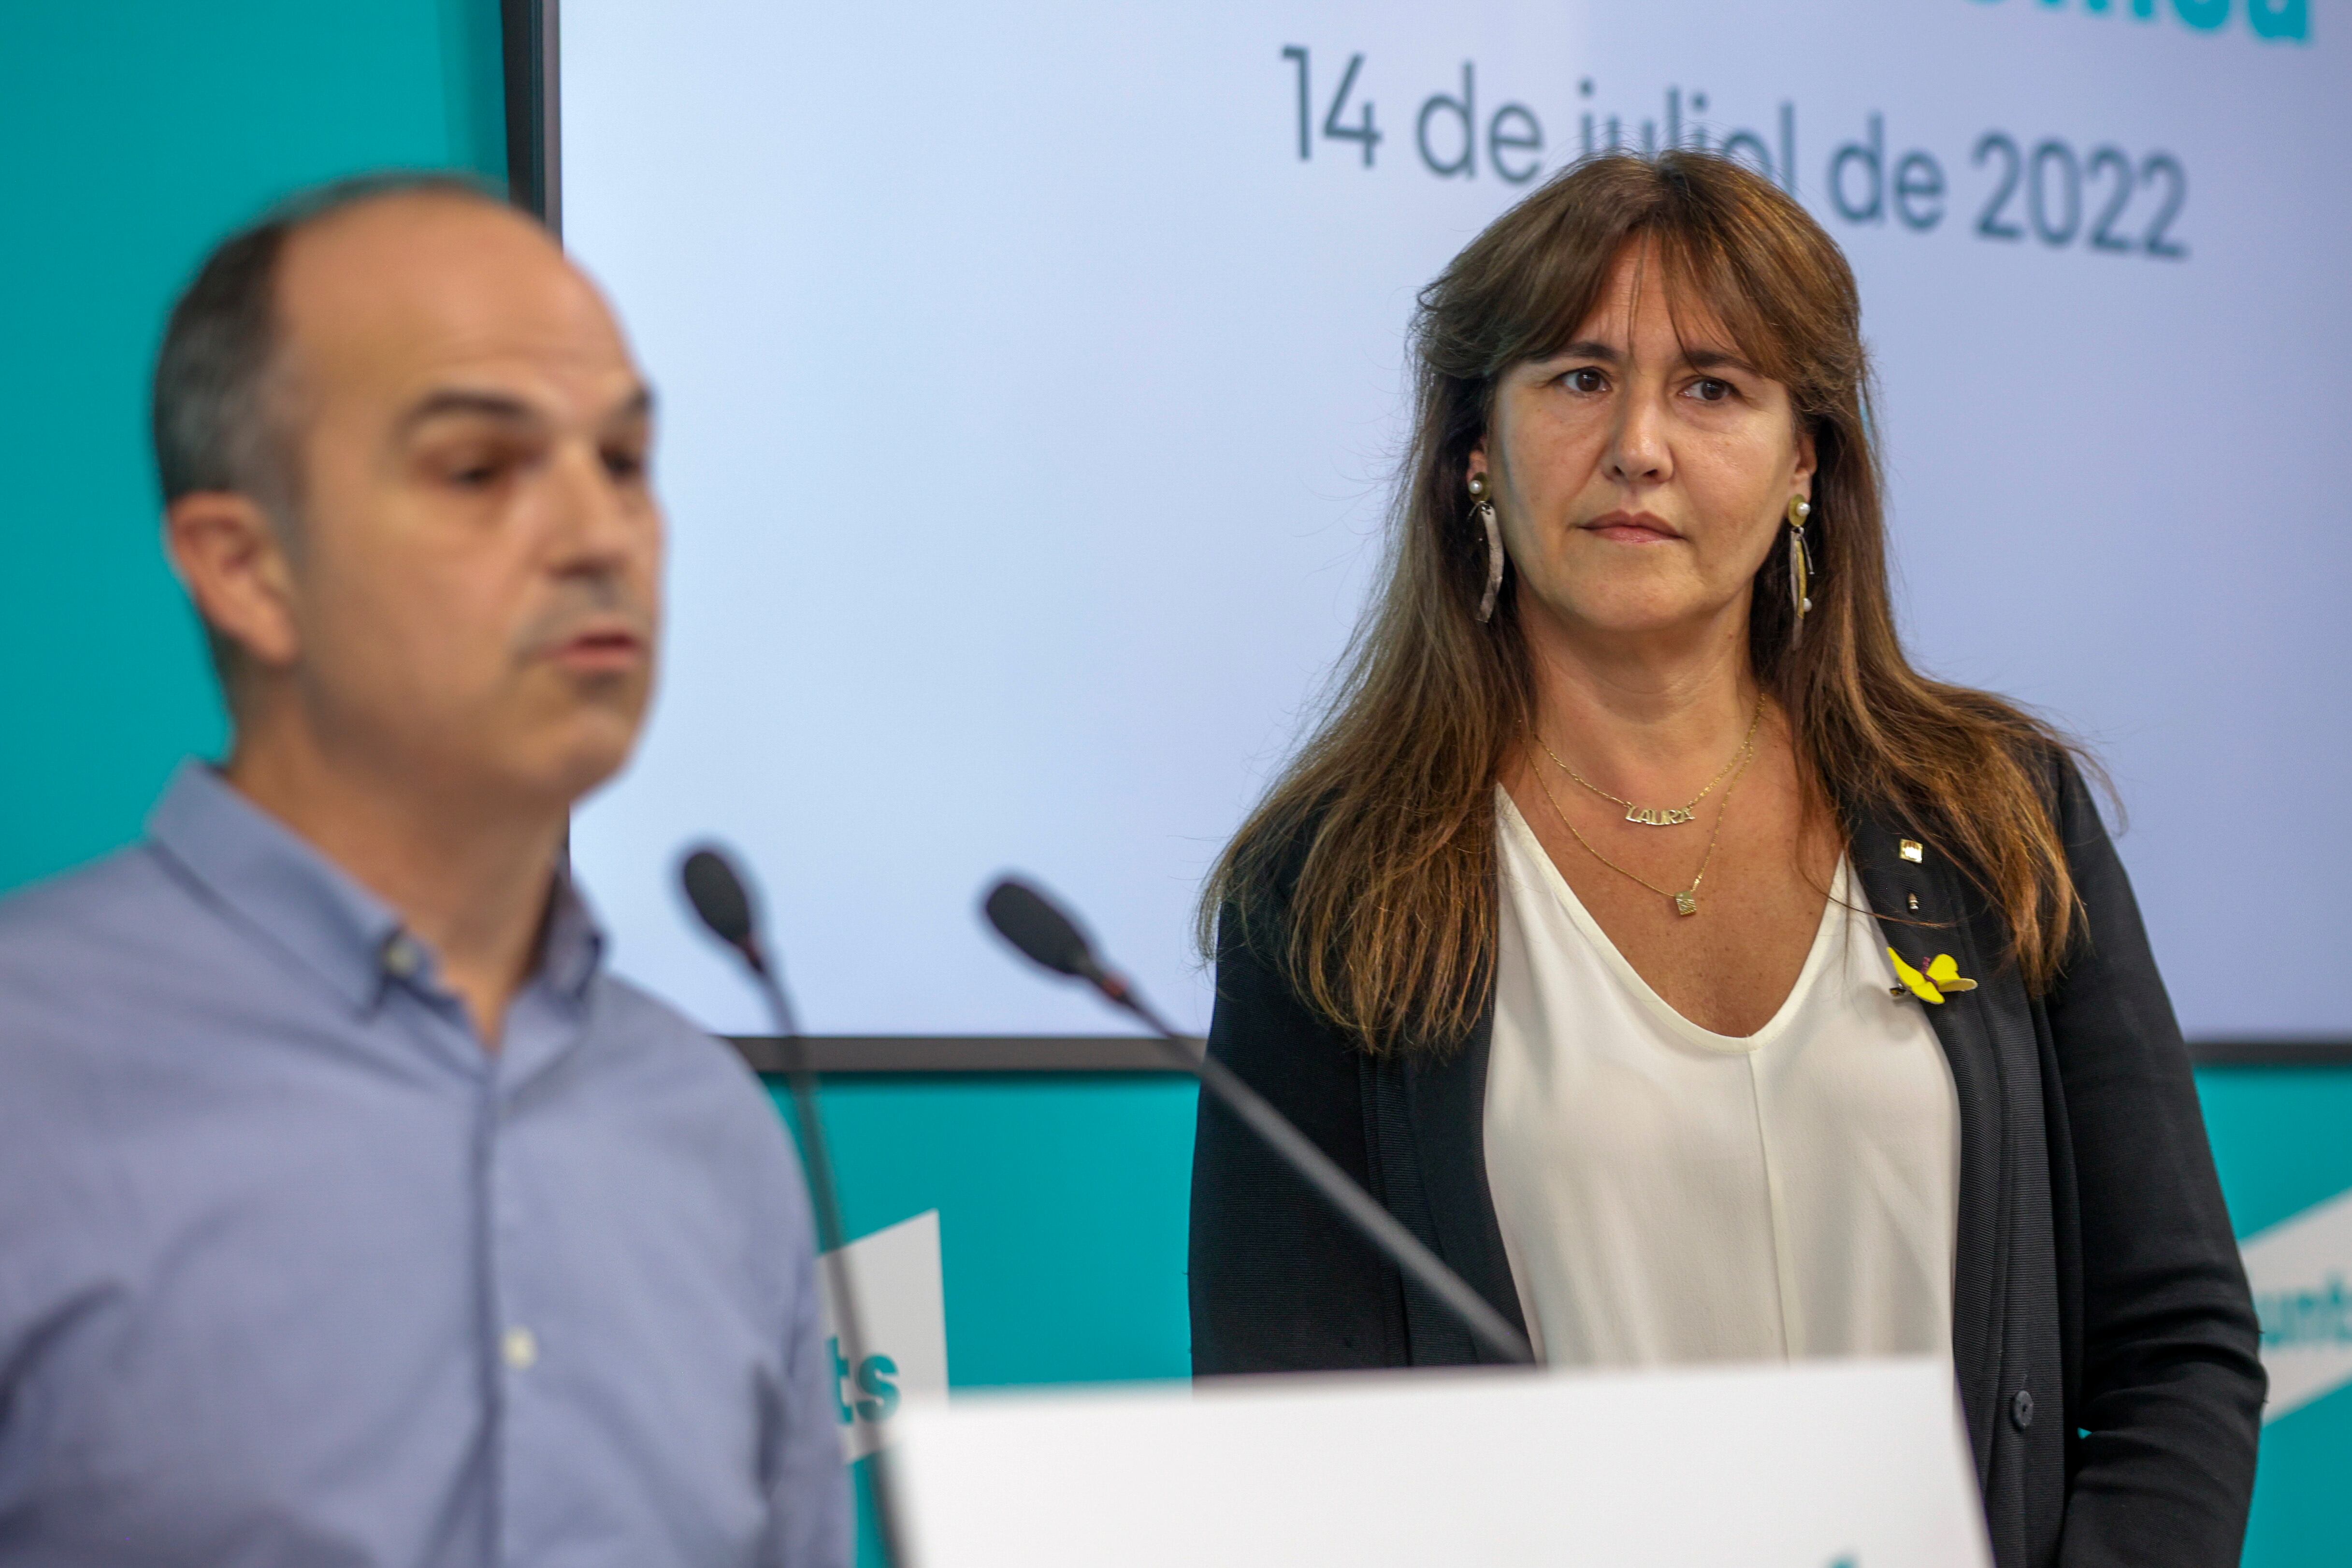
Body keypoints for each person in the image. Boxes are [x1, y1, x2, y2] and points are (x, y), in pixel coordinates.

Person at [1188, 151, 2261, 1568]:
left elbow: (2176, 1348)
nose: (1638, 444)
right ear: (1473, 450)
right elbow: (1293, 1438)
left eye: (1712, 386)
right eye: (1576, 378)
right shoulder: (1337, 885)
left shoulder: (1996, 815)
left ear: (1803, 458)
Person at [0, 177, 848, 1566]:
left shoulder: (712, 1132)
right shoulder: (27, 1073)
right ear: (246, 569)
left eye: (624, 463)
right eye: (479, 470)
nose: (598, 536)